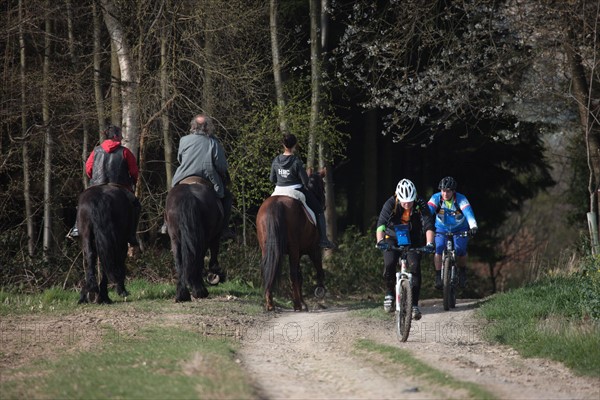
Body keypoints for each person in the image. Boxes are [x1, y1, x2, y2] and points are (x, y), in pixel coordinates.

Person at [162, 114, 234, 239]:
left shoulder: (183, 140)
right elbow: (221, 166)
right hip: (207, 177)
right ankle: (224, 229)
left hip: (183, 176)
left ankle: (165, 223)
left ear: (193, 127)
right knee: (226, 196)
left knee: (171, 195)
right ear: (207, 128)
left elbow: (180, 159)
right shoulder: (213, 142)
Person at [67, 125, 141, 246]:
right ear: (116, 136)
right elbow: (134, 171)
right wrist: (133, 181)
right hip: (120, 186)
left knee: (82, 203)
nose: (122, 137)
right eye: (121, 135)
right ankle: (131, 234)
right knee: (136, 205)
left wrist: (96, 178)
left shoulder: (96, 151)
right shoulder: (125, 152)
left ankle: (76, 228)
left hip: (96, 185)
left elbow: (88, 169)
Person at [375, 179, 435, 319]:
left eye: (410, 201)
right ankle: (389, 293)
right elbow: (381, 225)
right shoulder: (391, 203)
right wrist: (380, 241)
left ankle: (414, 304)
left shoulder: (420, 203)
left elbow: (428, 225)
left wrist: (430, 243)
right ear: (398, 197)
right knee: (389, 263)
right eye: (404, 201)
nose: (407, 204)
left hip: (413, 238)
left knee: (415, 267)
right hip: (392, 236)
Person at [269, 133, 335, 249]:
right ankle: (324, 240)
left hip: (278, 191)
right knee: (319, 211)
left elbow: (272, 179)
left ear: (283, 145)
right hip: (295, 190)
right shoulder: (296, 161)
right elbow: (305, 182)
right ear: (295, 145)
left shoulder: (276, 160)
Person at [427, 176, 478, 289]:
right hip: (441, 228)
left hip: (460, 229)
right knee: (439, 247)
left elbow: (468, 213)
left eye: (448, 191)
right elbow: (427, 212)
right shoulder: (436, 198)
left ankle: (462, 272)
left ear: (453, 191)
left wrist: (473, 226)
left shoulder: (461, 199)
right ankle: (437, 276)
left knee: (460, 250)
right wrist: (422, 224)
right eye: (443, 190)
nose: (445, 194)